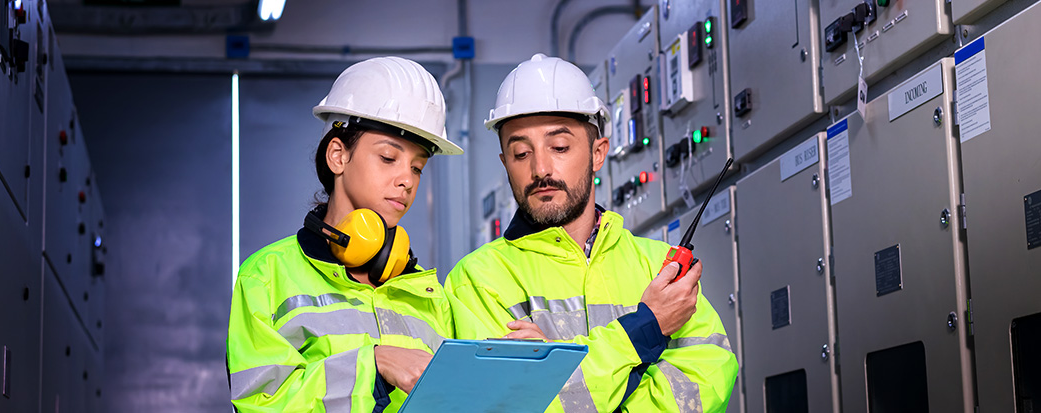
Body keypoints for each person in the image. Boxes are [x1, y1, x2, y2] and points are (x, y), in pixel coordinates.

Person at [446, 53, 738, 412]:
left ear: (598, 153)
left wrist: (557, 370)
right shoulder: (476, 281)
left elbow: (705, 378)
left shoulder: (658, 266)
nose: (540, 168)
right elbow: (511, 404)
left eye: (560, 147)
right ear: (505, 163)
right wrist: (646, 328)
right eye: (521, 153)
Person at [227, 56, 473, 412]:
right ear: (338, 156)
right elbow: (260, 402)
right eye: (389, 158)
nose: (407, 180)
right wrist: (371, 365)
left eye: (417, 167)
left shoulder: (429, 293)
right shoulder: (267, 277)